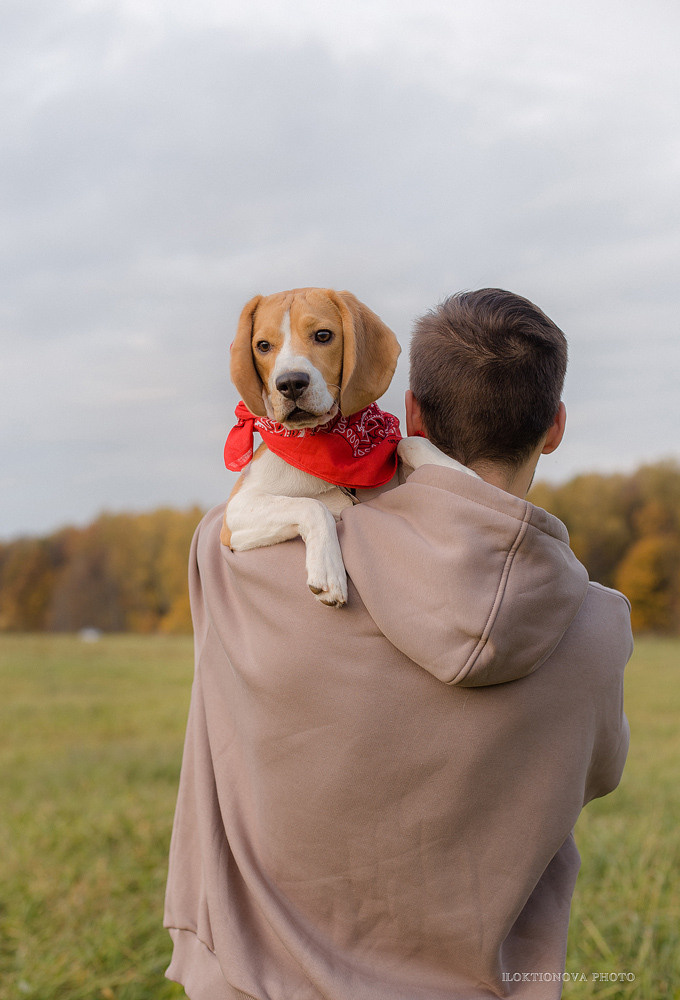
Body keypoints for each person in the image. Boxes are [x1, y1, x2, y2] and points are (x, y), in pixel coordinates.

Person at [164, 288, 631, 1000]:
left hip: (257, 979)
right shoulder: (600, 628)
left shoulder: (230, 557)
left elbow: (247, 515)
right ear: (556, 425)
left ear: (410, 413)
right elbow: (600, 776)